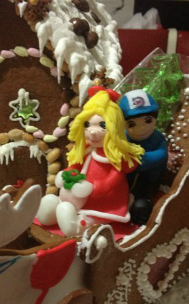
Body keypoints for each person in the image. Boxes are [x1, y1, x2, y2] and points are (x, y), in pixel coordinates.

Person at [37, 87, 144, 236]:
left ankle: (79, 225)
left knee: (93, 215)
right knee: (63, 201)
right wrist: (68, 173)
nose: (92, 131)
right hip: (80, 194)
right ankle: (53, 211)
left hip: (104, 200)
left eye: (102, 125)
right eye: (87, 125)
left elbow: (114, 179)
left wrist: (95, 188)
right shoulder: (86, 149)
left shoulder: (116, 155)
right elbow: (76, 164)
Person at [119, 90, 168, 225]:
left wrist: (136, 160)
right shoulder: (123, 137)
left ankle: (138, 224)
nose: (141, 129)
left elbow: (160, 155)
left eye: (148, 121)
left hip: (148, 181)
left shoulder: (158, 139)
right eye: (132, 124)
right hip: (124, 180)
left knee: (141, 207)